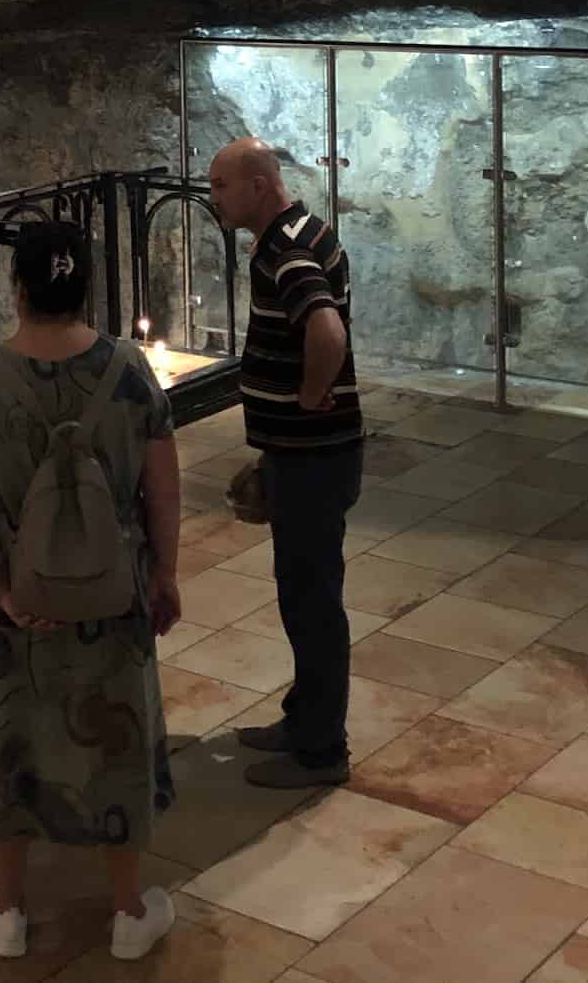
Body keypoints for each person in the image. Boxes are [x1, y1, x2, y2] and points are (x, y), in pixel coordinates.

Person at [0, 220, 183, 963]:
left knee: (12, 741)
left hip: (18, 600)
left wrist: (2, 593)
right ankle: (128, 911)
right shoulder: (131, 370)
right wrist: (163, 574)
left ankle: (10, 910)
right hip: (110, 597)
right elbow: (162, 488)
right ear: (86, 288)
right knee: (114, 740)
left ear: (17, 290)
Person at [207, 137, 360, 787]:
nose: (212, 197)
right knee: (303, 592)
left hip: (315, 457)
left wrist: (306, 397)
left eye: (221, 185)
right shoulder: (300, 230)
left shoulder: (286, 248)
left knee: (312, 598)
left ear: (261, 185)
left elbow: (325, 329)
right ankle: (304, 718)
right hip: (303, 453)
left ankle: (322, 749)